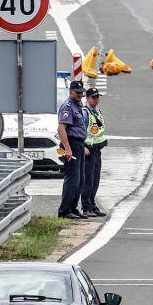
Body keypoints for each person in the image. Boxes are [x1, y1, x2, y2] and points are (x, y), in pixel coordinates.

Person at [57, 80, 89, 219]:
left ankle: (73, 208)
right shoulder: (67, 106)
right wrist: (68, 148)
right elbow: (61, 128)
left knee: (81, 179)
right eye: (77, 93)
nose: (80, 95)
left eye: (82, 93)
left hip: (79, 144)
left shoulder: (78, 104)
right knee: (73, 179)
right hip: (71, 144)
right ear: (70, 91)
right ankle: (65, 211)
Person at [80, 87, 108, 218]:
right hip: (88, 150)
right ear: (87, 98)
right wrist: (83, 147)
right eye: (93, 97)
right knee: (88, 180)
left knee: (95, 180)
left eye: (97, 97)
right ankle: (86, 207)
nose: (96, 99)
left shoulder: (97, 111)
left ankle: (92, 204)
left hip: (97, 149)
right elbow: (80, 131)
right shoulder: (85, 112)